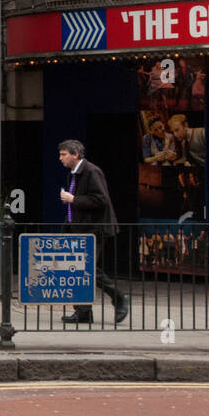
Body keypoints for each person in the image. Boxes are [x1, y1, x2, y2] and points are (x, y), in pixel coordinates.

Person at [57, 139, 128, 324]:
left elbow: (100, 200)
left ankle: (119, 297)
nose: (60, 158)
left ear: (75, 155)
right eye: (60, 154)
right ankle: (83, 312)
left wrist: (73, 199)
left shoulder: (91, 171)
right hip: (79, 229)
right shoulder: (74, 173)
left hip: (94, 229)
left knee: (86, 268)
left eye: (64, 154)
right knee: (79, 269)